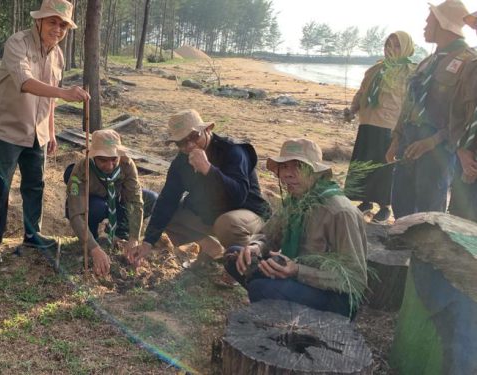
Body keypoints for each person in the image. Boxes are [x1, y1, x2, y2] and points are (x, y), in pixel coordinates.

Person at [0, 0, 90, 266]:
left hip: (37, 133)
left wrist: (50, 131)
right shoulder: (17, 43)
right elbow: (26, 83)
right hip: (6, 128)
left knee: (34, 184)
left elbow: (48, 100)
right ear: (39, 21)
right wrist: (65, 93)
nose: (58, 29)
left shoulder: (58, 55)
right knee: (1, 186)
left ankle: (32, 234)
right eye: (52, 21)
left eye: (63, 25)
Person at [224, 139, 368, 318]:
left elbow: (354, 279)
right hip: (298, 277)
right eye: (283, 167)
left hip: (333, 299)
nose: (287, 174)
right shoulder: (295, 200)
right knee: (235, 256)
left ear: (316, 172)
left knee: (261, 288)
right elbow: (269, 236)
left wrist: (298, 271)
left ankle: (292, 324)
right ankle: (277, 304)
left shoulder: (339, 212)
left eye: (298, 166)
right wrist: (255, 247)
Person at [126, 109, 269, 268]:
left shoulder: (233, 151)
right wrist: (148, 242)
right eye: (181, 142)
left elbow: (238, 196)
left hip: (247, 214)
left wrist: (208, 169)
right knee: (168, 213)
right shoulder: (181, 162)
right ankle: (211, 250)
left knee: (226, 223)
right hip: (211, 214)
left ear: (207, 130)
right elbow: (167, 200)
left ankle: (242, 264)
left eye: (194, 137)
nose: (189, 145)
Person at [385, 0, 476, 219]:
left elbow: (465, 118)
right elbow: (409, 104)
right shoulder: (427, 62)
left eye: (430, 20)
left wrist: (433, 141)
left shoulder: (468, 63)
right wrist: (396, 139)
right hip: (409, 142)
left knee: (429, 212)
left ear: (443, 24)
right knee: (401, 202)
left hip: (439, 150)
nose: (425, 25)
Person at [343, 31, 416, 223]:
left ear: (407, 48)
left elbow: (412, 103)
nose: (390, 49)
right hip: (367, 123)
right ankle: (366, 201)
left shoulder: (411, 72)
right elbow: (362, 92)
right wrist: (352, 109)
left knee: (384, 167)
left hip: (390, 127)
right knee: (364, 163)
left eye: (397, 45)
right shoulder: (375, 69)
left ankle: (385, 206)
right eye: (388, 44)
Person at [64, 130, 158, 276]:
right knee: (96, 207)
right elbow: (76, 213)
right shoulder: (82, 169)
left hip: (117, 201)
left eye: (113, 159)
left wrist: (134, 238)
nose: (109, 166)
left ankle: (121, 234)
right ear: (93, 156)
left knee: (151, 198)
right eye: (103, 160)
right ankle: (92, 238)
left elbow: (135, 201)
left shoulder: (126, 164)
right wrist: (94, 248)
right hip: (93, 204)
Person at [448, 11, 477, 221]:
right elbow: (456, 113)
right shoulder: (470, 68)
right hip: (466, 160)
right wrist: (461, 151)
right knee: (459, 224)